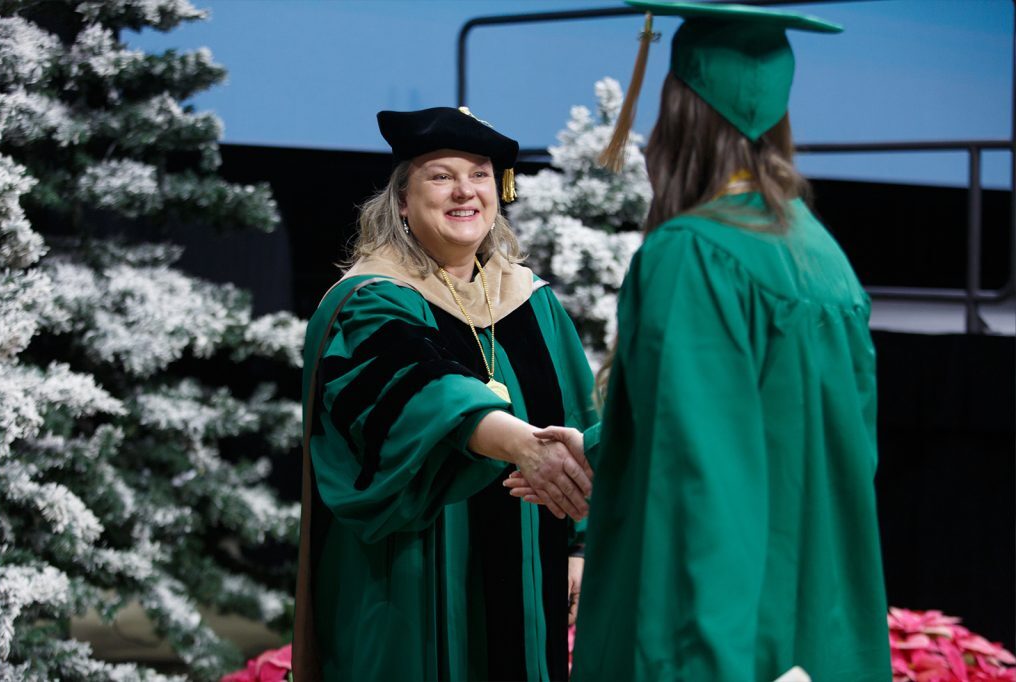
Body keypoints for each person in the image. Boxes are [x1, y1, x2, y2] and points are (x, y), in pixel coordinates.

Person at [508, 2, 892, 680]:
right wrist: (602, 445)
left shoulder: (695, 253)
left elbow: (703, 479)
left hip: (722, 638)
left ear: (681, 113)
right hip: (810, 624)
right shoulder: (819, 252)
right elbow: (794, 438)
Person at [292, 106, 598, 682]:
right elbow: (421, 389)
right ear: (402, 201)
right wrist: (524, 445)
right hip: (416, 578)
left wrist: (580, 544)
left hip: (531, 570)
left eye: (480, 174)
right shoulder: (370, 300)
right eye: (441, 175)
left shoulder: (532, 301)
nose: (465, 191)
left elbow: (581, 412)